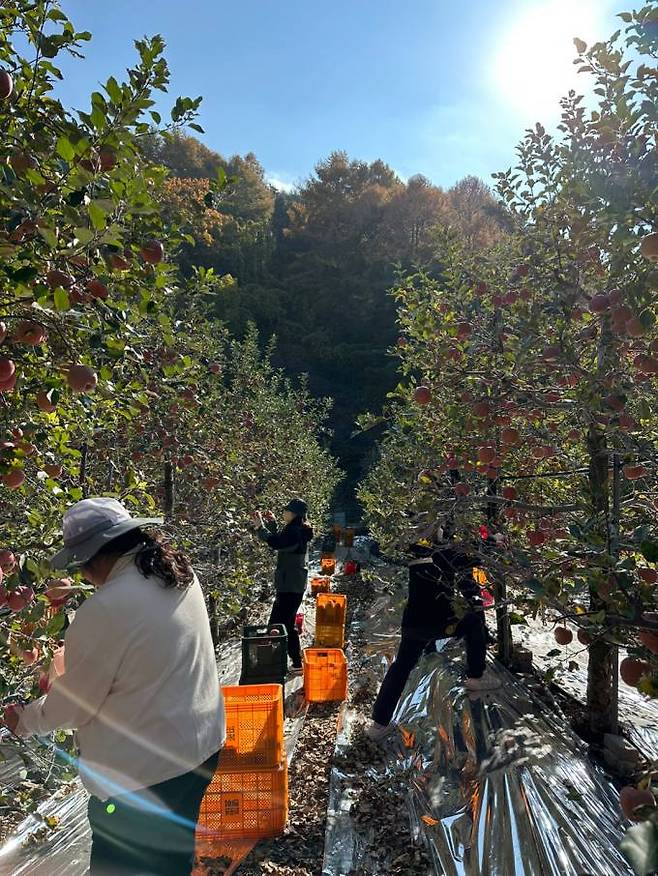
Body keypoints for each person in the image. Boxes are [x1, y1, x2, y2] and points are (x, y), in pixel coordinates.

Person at [3, 498, 225, 876]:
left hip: (143, 778)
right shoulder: (177, 575)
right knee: (170, 860)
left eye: (81, 565)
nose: (85, 574)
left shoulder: (104, 610)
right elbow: (141, 644)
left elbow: (73, 708)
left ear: (95, 557)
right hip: (199, 750)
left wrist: (23, 719)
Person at [366, 533, 500, 742]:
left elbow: (379, 548)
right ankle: (476, 676)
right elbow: (475, 555)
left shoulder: (416, 548)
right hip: (439, 621)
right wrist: (495, 540)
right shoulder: (447, 553)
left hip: (412, 622)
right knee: (474, 622)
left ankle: (378, 724)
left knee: (401, 666)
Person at [252, 498, 313, 676]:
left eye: (286, 510)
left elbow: (277, 543)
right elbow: (280, 540)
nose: (284, 512)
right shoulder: (296, 530)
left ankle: (283, 663)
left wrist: (260, 527)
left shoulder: (294, 532)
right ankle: (295, 662)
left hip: (290, 586)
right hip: (292, 584)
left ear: (294, 514)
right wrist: (271, 524)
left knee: (278, 624)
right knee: (285, 623)